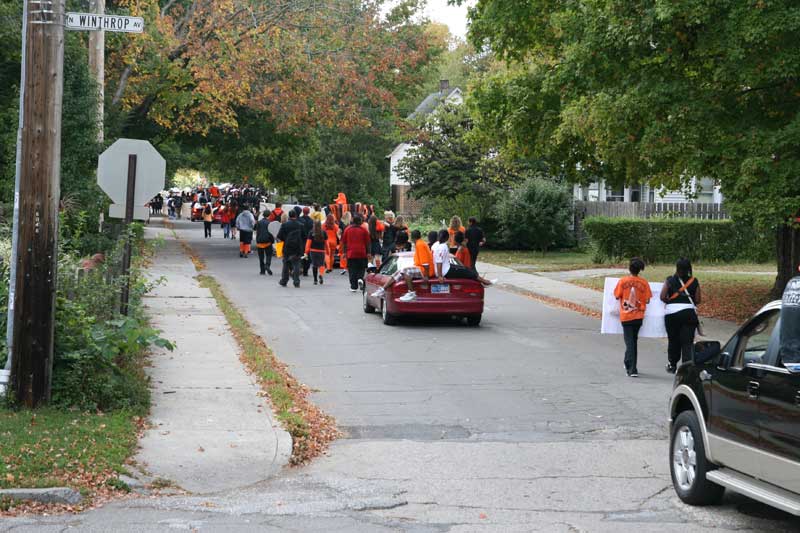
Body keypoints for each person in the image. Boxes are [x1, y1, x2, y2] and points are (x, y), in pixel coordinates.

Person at [660, 258, 701, 373]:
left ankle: (672, 365)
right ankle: (686, 368)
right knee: (687, 341)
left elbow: (662, 296)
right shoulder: (694, 281)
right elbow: (698, 299)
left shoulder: (669, 280)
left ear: (676, 267)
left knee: (673, 340)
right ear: (689, 268)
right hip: (689, 314)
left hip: (672, 315)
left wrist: (670, 302)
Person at [613, 257, 652, 377]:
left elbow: (616, 295)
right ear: (639, 270)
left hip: (626, 316)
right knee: (633, 341)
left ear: (629, 268)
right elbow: (648, 300)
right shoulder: (644, 283)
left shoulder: (622, 281)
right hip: (638, 316)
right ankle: (628, 363)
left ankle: (632, 369)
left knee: (630, 342)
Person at [371, 229, 433, 302]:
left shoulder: (420, 245)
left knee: (405, 270)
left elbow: (425, 263)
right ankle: (383, 289)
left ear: (412, 238)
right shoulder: (420, 244)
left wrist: (426, 276)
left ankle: (411, 293)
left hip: (425, 270)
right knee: (400, 271)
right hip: (421, 268)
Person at [340, 214, 371, 292]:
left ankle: (353, 286)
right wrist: (369, 252)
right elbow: (368, 243)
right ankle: (360, 278)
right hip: (362, 252)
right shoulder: (364, 230)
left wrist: (344, 252)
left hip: (351, 253)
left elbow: (344, 242)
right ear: (360, 222)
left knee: (352, 269)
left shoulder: (347, 229)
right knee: (361, 268)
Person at [276, 210, 306, 288]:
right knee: (296, 264)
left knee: (286, 264)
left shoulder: (284, 225)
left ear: (289, 216)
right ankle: (296, 282)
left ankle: (284, 281)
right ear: (295, 216)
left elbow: (279, 236)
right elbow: (304, 237)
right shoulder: (301, 225)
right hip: (297, 248)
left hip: (287, 247)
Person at [305, 221, 328, 285]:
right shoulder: (323, 233)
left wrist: (306, 252)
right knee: (321, 264)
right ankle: (321, 275)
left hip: (313, 251)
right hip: (322, 251)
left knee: (314, 265)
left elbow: (308, 243)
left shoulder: (311, 232)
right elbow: (326, 244)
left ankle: (315, 280)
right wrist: (328, 251)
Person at [255, 211, 275, 275]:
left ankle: (262, 271)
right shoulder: (270, 223)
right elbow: (271, 233)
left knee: (261, 257)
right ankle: (267, 265)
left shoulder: (259, 222)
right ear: (269, 215)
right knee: (269, 255)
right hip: (267, 242)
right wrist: (272, 241)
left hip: (259, 242)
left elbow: (256, 230)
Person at [299, 207, 314, 276]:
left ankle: (301, 266)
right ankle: (306, 270)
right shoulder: (311, 221)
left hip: (301, 240)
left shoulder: (299, 220)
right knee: (307, 255)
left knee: (301, 254)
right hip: (309, 240)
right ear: (308, 212)